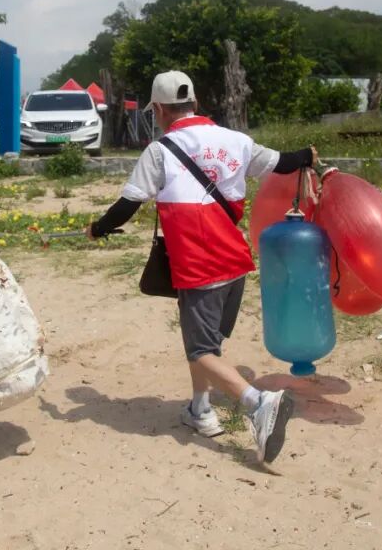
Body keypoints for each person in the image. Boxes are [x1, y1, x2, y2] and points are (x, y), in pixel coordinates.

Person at [87, 70, 317, 465]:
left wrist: (98, 228)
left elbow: (128, 205)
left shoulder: (160, 150)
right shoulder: (236, 141)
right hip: (234, 262)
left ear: (160, 110)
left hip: (198, 266)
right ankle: (200, 409)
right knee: (208, 345)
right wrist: (308, 156)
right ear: (194, 103)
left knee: (200, 350)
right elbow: (284, 163)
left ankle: (258, 403)